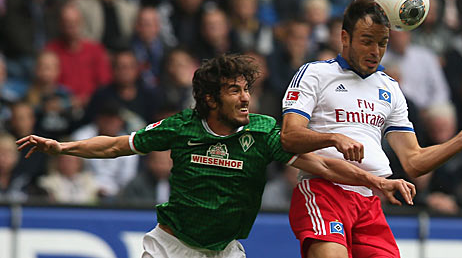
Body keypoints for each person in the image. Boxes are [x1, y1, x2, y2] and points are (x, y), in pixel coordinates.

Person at [17, 54, 415, 258]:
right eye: (234, 91)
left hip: (223, 249)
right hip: (172, 247)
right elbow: (118, 144)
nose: (245, 98)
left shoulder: (262, 132)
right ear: (210, 99)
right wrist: (63, 146)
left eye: (246, 89)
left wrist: (379, 182)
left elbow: (325, 165)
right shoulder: (182, 127)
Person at [280, 0, 462, 258]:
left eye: (382, 42)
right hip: (323, 191)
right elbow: (289, 137)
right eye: (367, 40)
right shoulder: (315, 74)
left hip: (369, 200)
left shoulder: (390, 88)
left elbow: (414, 162)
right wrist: (334, 138)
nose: (375, 50)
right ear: (344, 37)